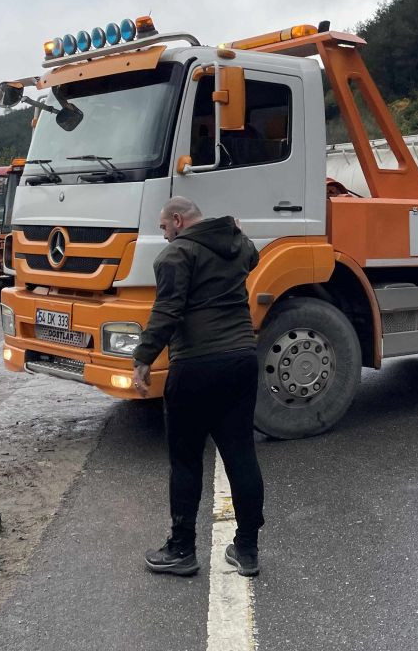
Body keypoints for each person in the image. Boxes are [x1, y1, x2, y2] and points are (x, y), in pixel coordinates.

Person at [133, 197, 265, 578]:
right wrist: (235, 230)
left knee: (187, 460)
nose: (163, 234)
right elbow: (252, 256)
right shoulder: (239, 244)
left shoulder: (176, 255)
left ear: (177, 220)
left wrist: (143, 358)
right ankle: (247, 551)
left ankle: (181, 550)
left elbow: (167, 311)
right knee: (241, 455)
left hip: (196, 365)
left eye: (163, 227)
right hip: (241, 360)